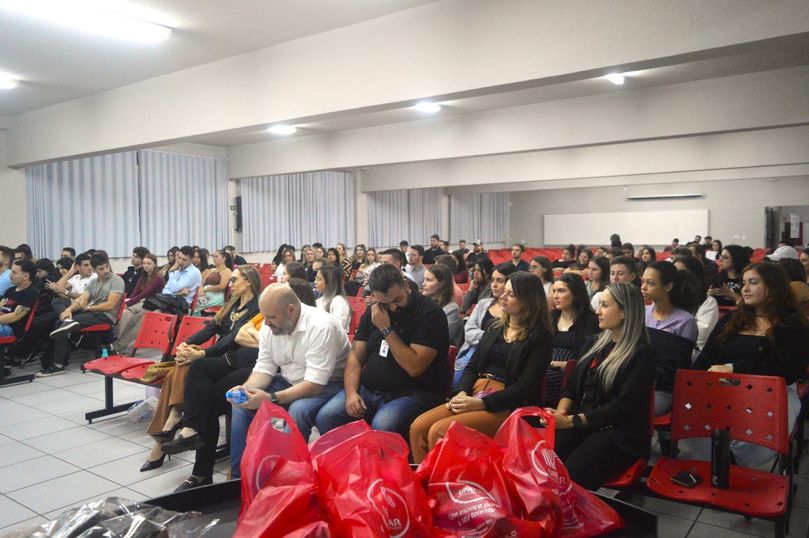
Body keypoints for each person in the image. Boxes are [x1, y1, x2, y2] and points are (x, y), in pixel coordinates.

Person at [410, 272, 553, 462]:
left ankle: (446, 480)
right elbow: (473, 365)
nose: (502, 296)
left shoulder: (540, 336)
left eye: (511, 294)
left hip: (508, 403)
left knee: (440, 431)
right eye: (504, 291)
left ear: (528, 300)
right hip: (476, 391)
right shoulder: (494, 326)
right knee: (418, 428)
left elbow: (525, 387)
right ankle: (426, 478)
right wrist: (461, 392)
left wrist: (482, 403)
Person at [147, 267, 262, 490]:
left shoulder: (257, 307)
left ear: (249, 282)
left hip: (239, 361)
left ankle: (190, 444)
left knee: (198, 376)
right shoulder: (232, 304)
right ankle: (188, 439)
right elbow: (211, 329)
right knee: (187, 373)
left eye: (235, 280)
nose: (230, 284)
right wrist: (186, 343)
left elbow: (232, 338)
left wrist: (202, 353)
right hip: (221, 361)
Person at [691, 262, 809, 468]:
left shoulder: (792, 326)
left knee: (752, 438)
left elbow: (784, 371)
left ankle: (749, 474)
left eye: (753, 283)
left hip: (773, 392)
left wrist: (733, 369)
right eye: (744, 283)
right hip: (724, 388)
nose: (744, 288)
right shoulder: (731, 320)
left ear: (773, 287)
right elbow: (706, 360)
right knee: (696, 424)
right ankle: (716, 470)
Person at [316, 264, 449, 441]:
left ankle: (380, 459)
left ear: (405, 284)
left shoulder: (430, 313)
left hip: (413, 392)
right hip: (369, 390)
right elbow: (355, 356)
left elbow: (414, 367)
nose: (392, 308)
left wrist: (386, 329)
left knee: (383, 424)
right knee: (327, 416)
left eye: (397, 300)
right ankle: (353, 457)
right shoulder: (374, 311)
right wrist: (351, 393)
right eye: (385, 303)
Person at [226, 284, 349, 476]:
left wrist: (271, 398)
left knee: (297, 411)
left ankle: (289, 476)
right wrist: (245, 389)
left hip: (329, 383)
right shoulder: (270, 326)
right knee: (242, 404)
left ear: (291, 310)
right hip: (291, 379)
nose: (266, 323)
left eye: (271, 317)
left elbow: (315, 384)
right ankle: (239, 477)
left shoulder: (321, 326)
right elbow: (264, 369)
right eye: (264, 317)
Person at [549, 283, 656, 490]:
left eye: (605, 305)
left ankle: (569, 510)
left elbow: (621, 409)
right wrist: (561, 414)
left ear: (625, 312)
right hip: (585, 423)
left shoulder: (642, 354)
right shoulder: (593, 343)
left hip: (620, 434)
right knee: (545, 461)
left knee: (571, 476)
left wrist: (570, 421)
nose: (597, 311)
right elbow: (572, 386)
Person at [38, 252, 125, 376]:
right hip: (93, 314)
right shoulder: (93, 282)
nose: (106, 270)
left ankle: (58, 364)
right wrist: (69, 310)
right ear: (94, 269)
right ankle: (59, 363)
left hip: (106, 317)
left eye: (106, 267)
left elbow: (110, 305)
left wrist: (89, 308)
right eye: (101, 268)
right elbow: (82, 299)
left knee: (62, 323)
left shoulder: (116, 280)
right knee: (59, 322)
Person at [641, 261, 699, 414]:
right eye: (643, 282)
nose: (643, 287)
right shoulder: (641, 313)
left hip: (662, 388)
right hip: (636, 380)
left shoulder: (685, 321)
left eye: (650, 283)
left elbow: (678, 366)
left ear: (667, 287)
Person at [454, 262, 517, 385]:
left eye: (500, 281)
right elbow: (469, 331)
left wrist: (488, 341)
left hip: (494, 360)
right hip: (471, 351)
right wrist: (492, 339)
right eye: (492, 280)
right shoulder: (483, 303)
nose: (494, 285)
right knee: (455, 380)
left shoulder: (513, 310)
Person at [546, 273, 600, 406]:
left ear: (576, 294)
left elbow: (588, 361)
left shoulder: (591, 322)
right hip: (545, 370)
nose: (555, 296)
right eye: (554, 291)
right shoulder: (550, 318)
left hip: (572, 376)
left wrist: (553, 364)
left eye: (561, 291)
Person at [673, 256, 719, 361]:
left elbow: (700, 335)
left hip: (693, 353)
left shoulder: (708, 302)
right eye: (674, 272)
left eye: (682, 272)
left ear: (694, 276)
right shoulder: (668, 299)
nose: (678, 277)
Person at [422, 264, 462, 347]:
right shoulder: (424, 302)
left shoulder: (452, 309)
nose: (423, 284)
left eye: (428, 280)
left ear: (441, 284)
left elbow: (443, 337)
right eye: (424, 279)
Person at [0, 260, 38, 340]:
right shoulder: (10, 290)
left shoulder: (31, 292)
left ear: (26, 276)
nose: (10, 275)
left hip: (11, 329)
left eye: (14, 273)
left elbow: (15, 316)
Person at [193, 249, 233, 315]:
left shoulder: (227, 271)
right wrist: (201, 290)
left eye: (216, 256)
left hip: (217, 296)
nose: (214, 258)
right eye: (213, 256)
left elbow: (221, 287)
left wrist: (205, 289)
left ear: (224, 258)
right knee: (192, 300)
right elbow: (202, 283)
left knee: (196, 303)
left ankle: (194, 318)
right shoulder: (211, 270)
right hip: (205, 293)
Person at [315, 264, 351, 332]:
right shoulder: (319, 300)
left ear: (330, 282)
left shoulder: (339, 302)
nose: (315, 282)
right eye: (316, 278)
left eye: (319, 279)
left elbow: (337, 329)